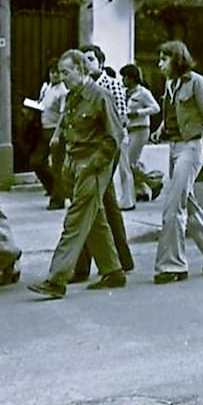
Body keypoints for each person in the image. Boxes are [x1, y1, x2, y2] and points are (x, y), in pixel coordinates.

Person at [27, 49, 126, 299]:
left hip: (92, 167)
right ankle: (113, 271)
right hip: (75, 165)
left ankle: (56, 279)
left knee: (75, 221)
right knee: (95, 219)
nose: (62, 77)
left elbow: (114, 136)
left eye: (66, 72)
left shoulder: (100, 96)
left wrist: (94, 163)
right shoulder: (72, 98)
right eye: (60, 72)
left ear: (81, 70)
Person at [151, 41, 203, 285]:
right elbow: (172, 114)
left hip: (192, 147)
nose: (159, 64)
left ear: (177, 60)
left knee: (172, 208)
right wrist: (160, 129)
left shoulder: (197, 83)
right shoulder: (170, 84)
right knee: (186, 202)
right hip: (174, 147)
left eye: (163, 59)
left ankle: (172, 265)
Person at [69, 45, 135, 283]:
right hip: (91, 151)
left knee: (92, 203)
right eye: (83, 59)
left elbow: (119, 118)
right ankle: (116, 261)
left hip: (106, 150)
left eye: (90, 59)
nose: (87, 63)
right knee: (103, 204)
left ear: (100, 61)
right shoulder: (80, 89)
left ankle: (84, 265)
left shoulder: (110, 84)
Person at [120, 63, 161, 201]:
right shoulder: (125, 93)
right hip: (129, 130)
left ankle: (152, 181)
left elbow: (156, 108)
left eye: (125, 77)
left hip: (140, 129)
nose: (123, 80)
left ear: (132, 78)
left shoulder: (143, 93)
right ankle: (142, 189)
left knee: (129, 161)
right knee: (132, 162)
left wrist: (138, 113)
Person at [39, 62, 68, 210]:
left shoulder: (63, 91)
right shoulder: (46, 87)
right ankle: (53, 188)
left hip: (55, 130)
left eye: (58, 72)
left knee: (57, 165)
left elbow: (63, 114)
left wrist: (57, 134)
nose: (55, 75)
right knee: (37, 161)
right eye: (52, 72)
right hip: (43, 128)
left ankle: (58, 199)